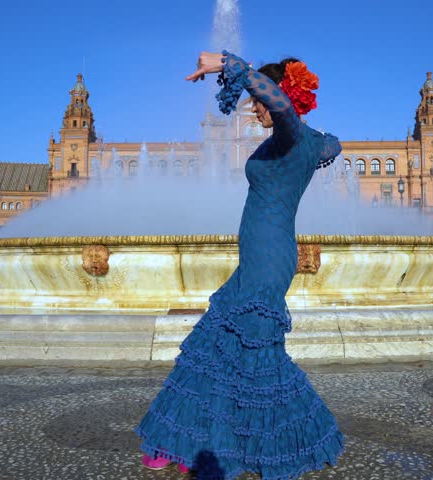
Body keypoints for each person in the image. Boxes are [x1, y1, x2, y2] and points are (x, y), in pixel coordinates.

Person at [135, 51, 344, 479]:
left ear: (280, 96)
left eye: (258, 101)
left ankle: (265, 445)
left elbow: (283, 108)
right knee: (220, 343)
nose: (253, 106)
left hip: (268, 259)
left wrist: (232, 64)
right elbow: (332, 144)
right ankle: (190, 441)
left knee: (254, 352)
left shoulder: (291, 136)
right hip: (263, 254)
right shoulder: (304, 140)